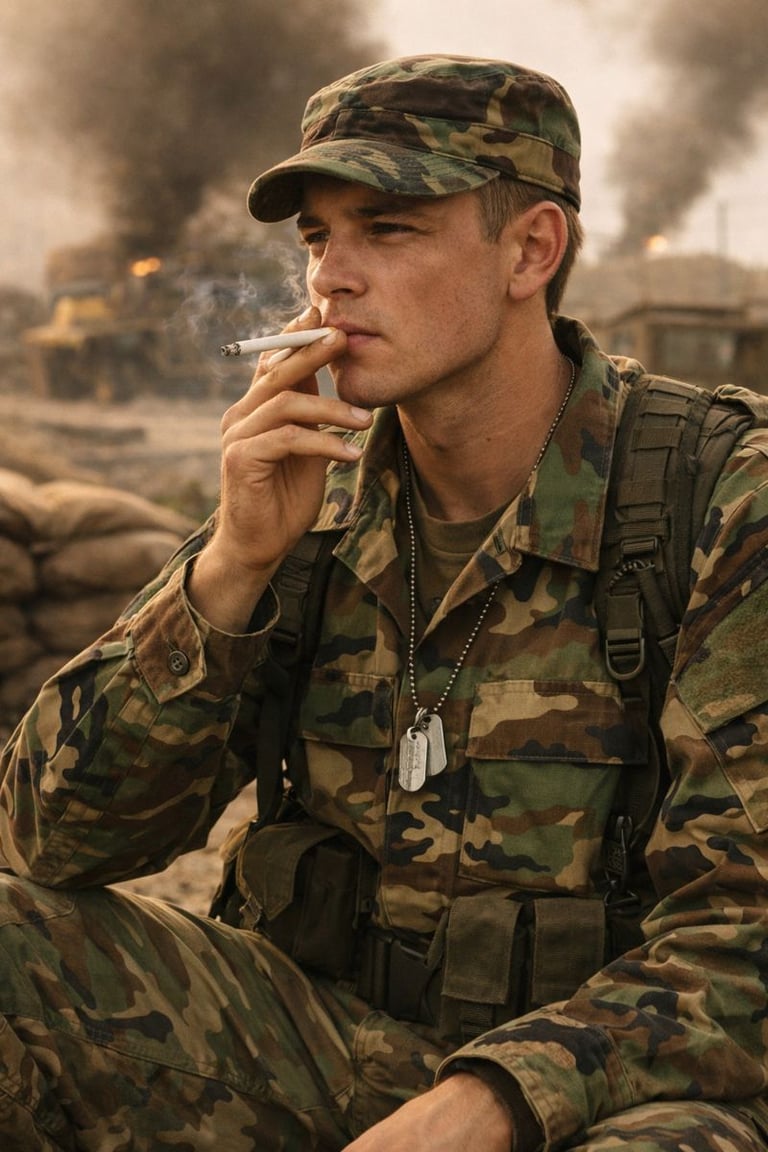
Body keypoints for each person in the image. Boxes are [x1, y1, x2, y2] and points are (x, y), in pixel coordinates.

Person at [0, 53, 767, 1152]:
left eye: (389, 230)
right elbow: (50, 840)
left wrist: (495, 1100)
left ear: (531, 251)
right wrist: (230, 570)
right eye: (317, 238)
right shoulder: (311, 497)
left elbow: (744, 944)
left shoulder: (716, 499)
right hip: (328, 1049)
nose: (331, 280)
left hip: (607, 1088)